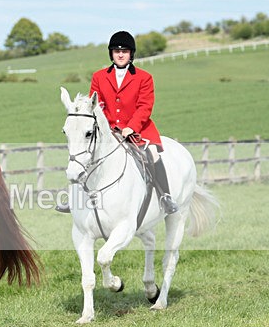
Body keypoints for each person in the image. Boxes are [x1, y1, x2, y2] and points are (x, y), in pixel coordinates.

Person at [57, 30, 178, 214]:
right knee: (85, 155)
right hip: (108, 130)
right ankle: (74, 198)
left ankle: (165, 196)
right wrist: (107, 127)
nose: (120, 54)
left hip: (139, 131)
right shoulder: (99, 76)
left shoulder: (144, 78)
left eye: (125, 51)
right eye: (116, 51)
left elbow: (145, 106)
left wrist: (131, 127)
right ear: (111, 54)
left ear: (131, 54)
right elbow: (95, 106)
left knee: (152, 154)